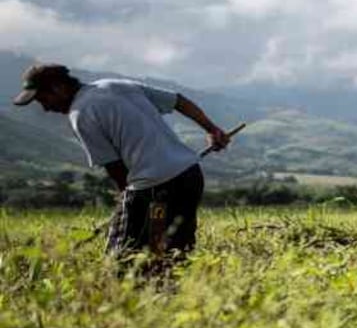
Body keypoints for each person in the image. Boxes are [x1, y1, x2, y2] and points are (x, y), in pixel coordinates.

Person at [12, 63, 231, 261]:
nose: (45, 108)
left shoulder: (80, 115)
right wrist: (212, 130)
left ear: (58, 88)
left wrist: (125, 207)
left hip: (155, 189)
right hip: (190, 176)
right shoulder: (113, 84)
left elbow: (118, 172)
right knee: (174, 253)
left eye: (43, 99)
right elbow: (179, 101)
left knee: (120, 260)